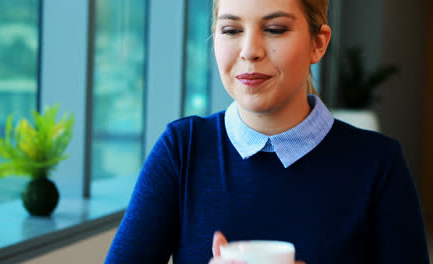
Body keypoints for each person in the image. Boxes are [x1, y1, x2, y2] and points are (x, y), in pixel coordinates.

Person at [105, 0, 430, 263]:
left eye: (274, 29)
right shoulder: (182, 150)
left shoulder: (378, 164)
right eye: (231, 29)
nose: (250, 51)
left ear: (318, 43)